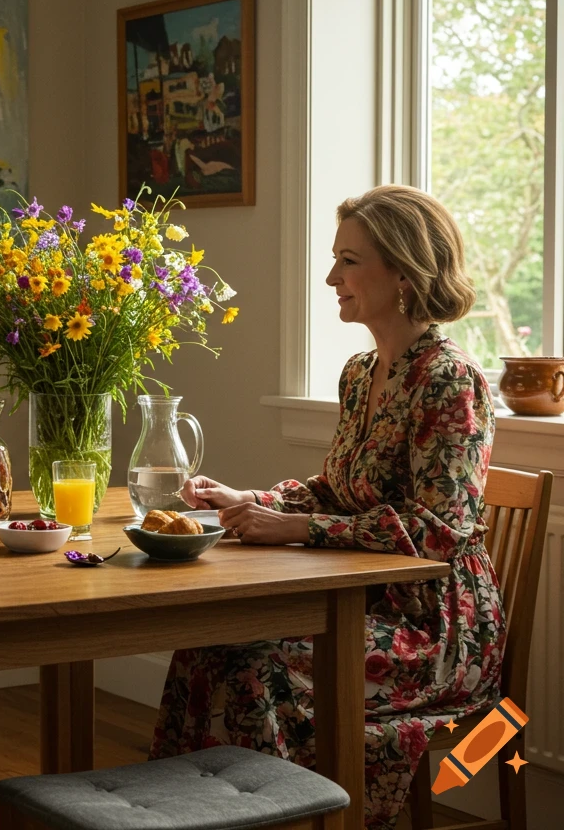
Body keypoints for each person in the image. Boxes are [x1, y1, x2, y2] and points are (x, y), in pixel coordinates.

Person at [151, 185, 502, 829]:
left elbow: (437, 531)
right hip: (358, 603)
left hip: (434, 628)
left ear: (403, 270)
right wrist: (249, 500)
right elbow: (335, 488)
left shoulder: (449, 381)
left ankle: (295, 822)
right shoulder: (360, 371)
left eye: (348, 260)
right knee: (207, 646)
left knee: (254, 667)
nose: (330, 277)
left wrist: (298, 528)